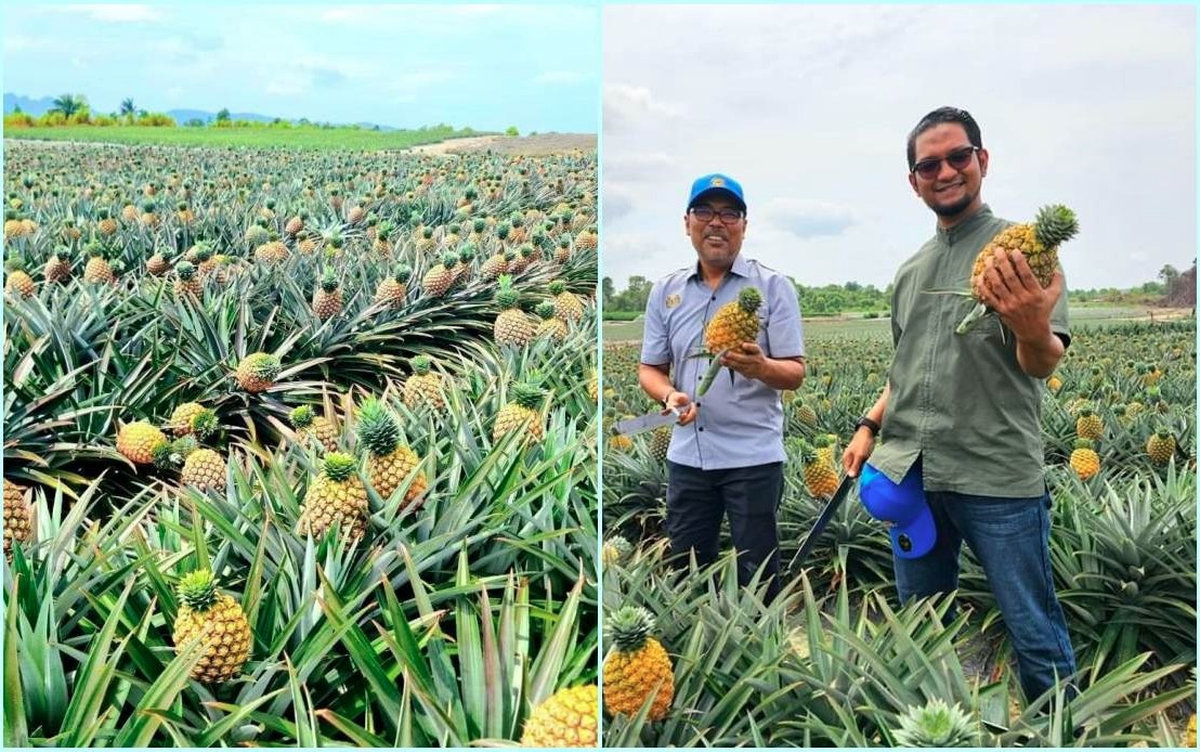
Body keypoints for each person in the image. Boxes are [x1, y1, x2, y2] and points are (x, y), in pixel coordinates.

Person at [842, 106, 1077, 703]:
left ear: (982, 160)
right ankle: (934, 728)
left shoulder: (1027, 253)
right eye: (929, 165)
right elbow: (905, 371)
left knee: (1033, 629)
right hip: (912, 478)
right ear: (914, 181)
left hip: (995, 475)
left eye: (958, 157)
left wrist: (1031, 326)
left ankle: (1062, 731)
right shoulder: (910, 272)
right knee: (920, 627)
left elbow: (1042, 362)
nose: (945, 172)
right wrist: (869, 424)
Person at [638, 173, 806, 602]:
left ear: (744, 225)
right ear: (687, 223)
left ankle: (761, 639)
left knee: (759, 578)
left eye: (730, 213)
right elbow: (650, 369)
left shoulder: (773, 287)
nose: (716, 222)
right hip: (687, 458)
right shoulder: (666, 291)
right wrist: (668, 395)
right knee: (687, 575)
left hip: (753, 458)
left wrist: (761, 367)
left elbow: (795, 373)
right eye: (705, 211)